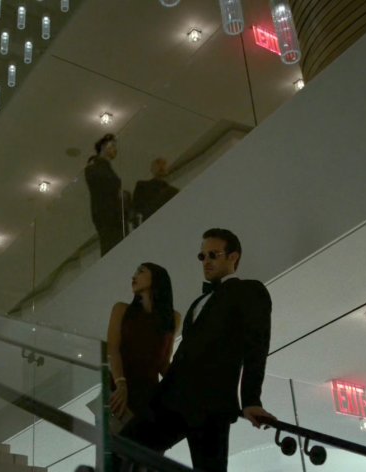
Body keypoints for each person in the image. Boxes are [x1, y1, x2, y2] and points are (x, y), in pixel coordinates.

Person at [118, 228, 275, 472]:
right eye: (202, 256)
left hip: (210, 404)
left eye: (214, 255)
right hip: (172, 399)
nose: (206, 262)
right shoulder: (196, 304)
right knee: (122, 447)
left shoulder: (249, 291)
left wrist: (251, 399)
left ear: (233, 257)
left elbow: (258, 345)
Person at [106, 263, 182, 433]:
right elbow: (113, 349)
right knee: (118, 449)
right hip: (121, 390)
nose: (134, 276)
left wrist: (181, 389)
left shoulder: (173, 318)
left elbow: (163, 363)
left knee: (149, 451)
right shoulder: (121, 309)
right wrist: (121, 384)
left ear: (156, 278)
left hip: (150, 396)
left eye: (140, 272)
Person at [85, 134, 127, 256]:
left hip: (114, 213)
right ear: (104, 146)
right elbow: (99, 182)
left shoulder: (105, 167)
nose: (115, 149)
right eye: (112, 146)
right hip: (106, 213)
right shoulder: (94, 165)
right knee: (111, 245)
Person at [132, 158, 179, 225]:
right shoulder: (142, 186)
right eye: (158, 163)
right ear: (152, 169)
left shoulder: (173, 191)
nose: (161, 166)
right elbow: (138, 208)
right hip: (151, 222)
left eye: (164, 164)